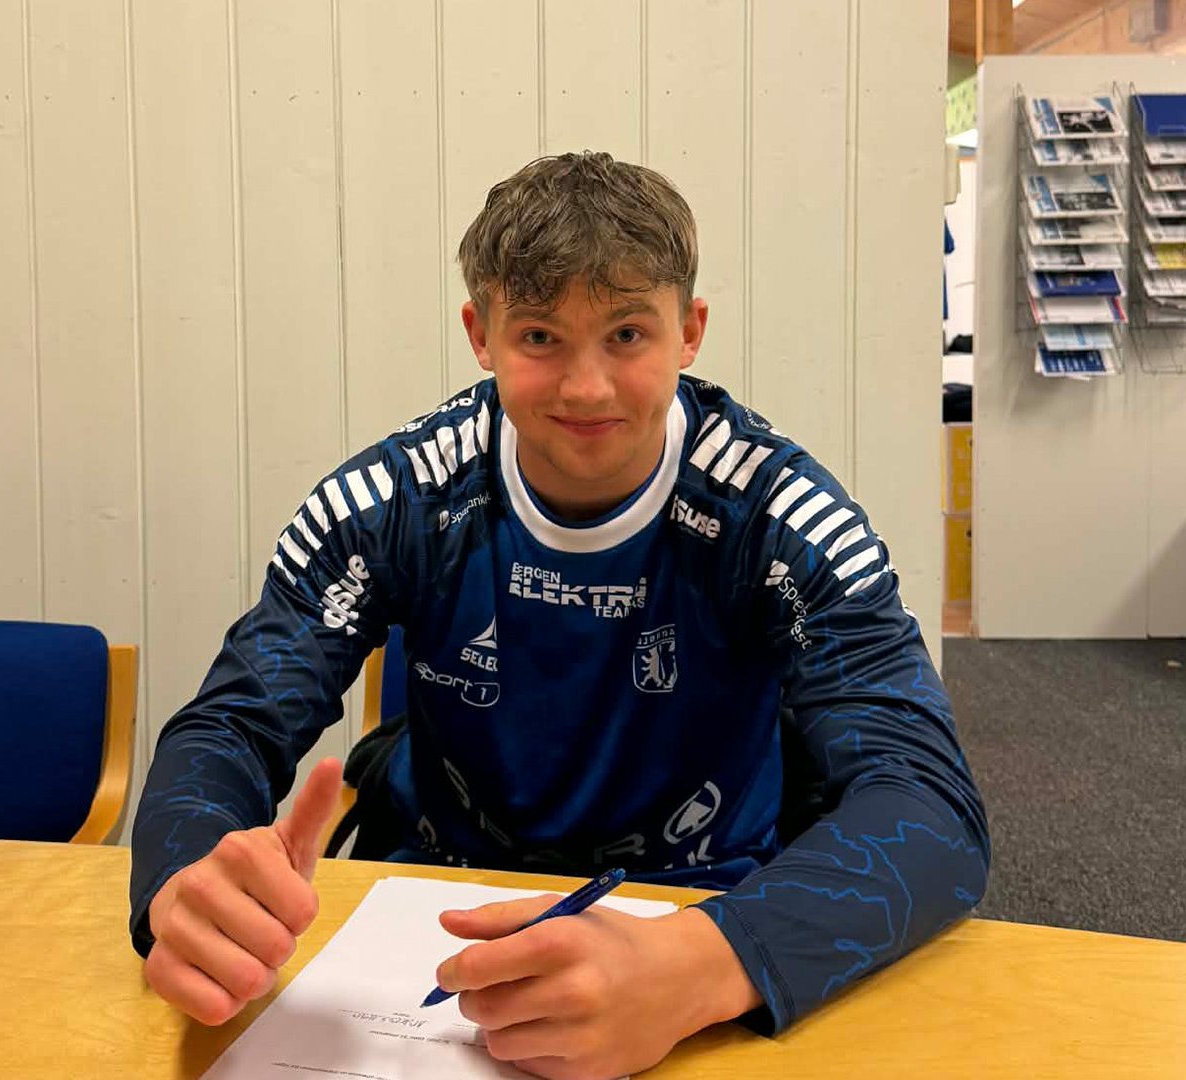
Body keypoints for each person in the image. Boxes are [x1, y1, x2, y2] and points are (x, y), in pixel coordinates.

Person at [131, 151, 990, 1080]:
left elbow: (931, 807)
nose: (587, 387)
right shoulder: (392, 502)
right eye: (540, 336)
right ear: (481, 334)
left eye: (627, 333)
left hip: (698, 913)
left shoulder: (784, 521)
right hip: (436, 913)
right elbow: (229, 725)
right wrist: (186, 881)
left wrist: (704, 964)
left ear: (690, 331)